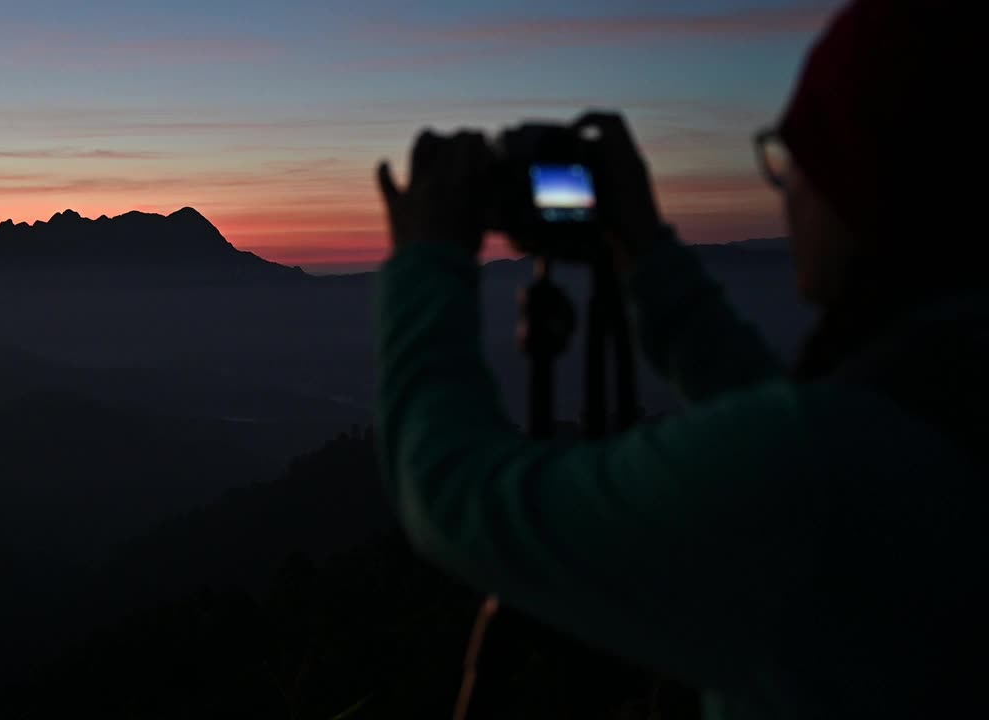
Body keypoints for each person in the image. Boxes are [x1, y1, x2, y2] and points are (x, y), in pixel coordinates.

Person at [371, 1, 985, 718]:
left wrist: (428, 259)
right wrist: (646, 254)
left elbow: (451, 495)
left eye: (794, 158)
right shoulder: (945, 404)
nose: (786, 194)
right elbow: (786, 424)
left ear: (863, 182)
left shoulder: (824, 480)